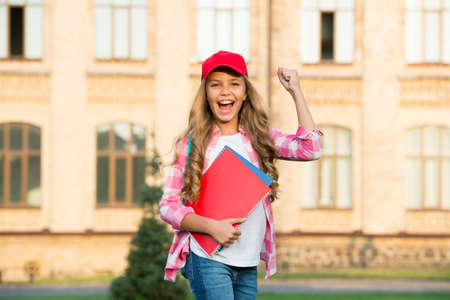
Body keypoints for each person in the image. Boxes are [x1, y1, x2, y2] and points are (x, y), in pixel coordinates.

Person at [159, 50, 323, 300]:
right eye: (216, 85)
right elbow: (168, 206)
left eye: (234, 84)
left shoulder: (259, 138)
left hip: (247, 263)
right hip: (208, 259)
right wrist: (211, 227)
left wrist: (296, 91)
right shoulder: (193, 144)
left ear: (245, 93)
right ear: (206, 95)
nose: (225, 91)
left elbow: (310, 148)